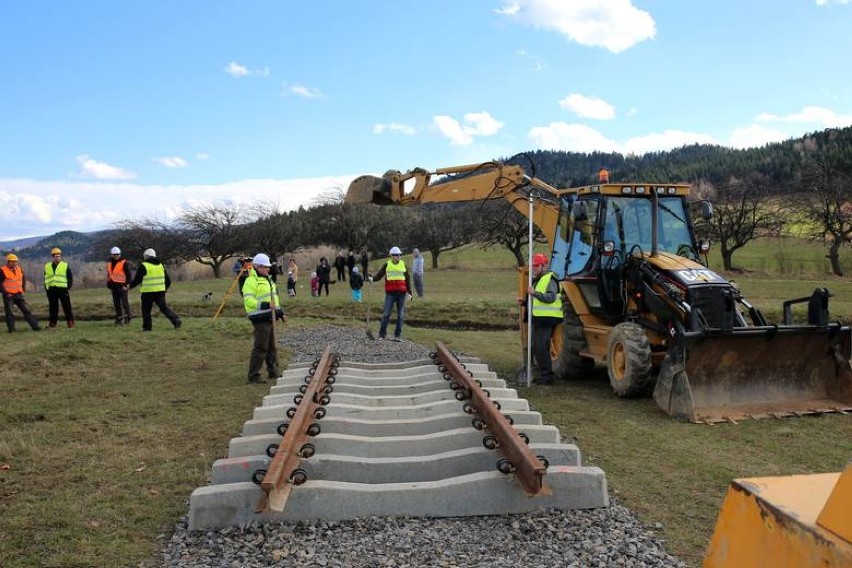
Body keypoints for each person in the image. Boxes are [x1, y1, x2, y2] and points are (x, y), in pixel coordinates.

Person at [519, 253, 562, 385]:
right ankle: (544, 374)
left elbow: (550, 298)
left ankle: (547, 376)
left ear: (544, 265)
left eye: (537, 265)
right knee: (537, 347)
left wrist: (534, 293)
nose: (535, 268)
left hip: (547, 318)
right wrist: (524, 302)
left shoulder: (550, 279)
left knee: (542, 347)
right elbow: (536, 301)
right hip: (539, 318)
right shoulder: (539, 279)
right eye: (533, 265)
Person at [242, 253, 285, 384]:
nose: (268, 269)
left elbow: (274, 300)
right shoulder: (251, 281)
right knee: (261, 346)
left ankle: (273, 371)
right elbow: (248, 300)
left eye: (268, 267)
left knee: (272, 346)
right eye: (265, 267)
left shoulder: (268, 279)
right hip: (259, 318)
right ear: (258, 266)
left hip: (270, 317)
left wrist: (280, 313)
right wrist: (264, 305)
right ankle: (253, 375)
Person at [128, 248, 182, 331]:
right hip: (160, 292)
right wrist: (164, 289)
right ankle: (176, 320)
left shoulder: (144, 266)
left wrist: (130, 287)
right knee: (164, 308)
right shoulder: (160, 265)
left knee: (146, 310)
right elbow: (168, 281)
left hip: (147, 292)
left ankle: (147, 328)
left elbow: (137, 279)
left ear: (146, 256)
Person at [372, 246, 411, 341]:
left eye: (399, 255)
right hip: (390, 293)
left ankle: (397, 335)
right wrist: (370, 279)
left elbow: (407, 279)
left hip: (402, 293)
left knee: (401, 315)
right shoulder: (387, 265)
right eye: (396, 255)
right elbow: (378, 276)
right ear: (391, 256)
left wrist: (410, 293)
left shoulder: (403, 265)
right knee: (386, 314)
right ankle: (382, 335)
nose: (398, 257)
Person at [1, 253, 41, 332]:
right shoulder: (2, 270)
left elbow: (22, 280)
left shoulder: (19, 269)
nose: (14, 263)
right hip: (9, 296)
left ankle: (35, 326)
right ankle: (11, 329)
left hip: (19, 294)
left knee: (27, 310)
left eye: (15, 261)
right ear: (8, 262)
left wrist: (23, 290)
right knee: (10, 313)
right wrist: (5, 293)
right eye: (12, 262)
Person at [43, 247, 75, 328]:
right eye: (56, 256)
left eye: (59, 256)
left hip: (63, 289)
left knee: (67, 306)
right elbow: (45, 278)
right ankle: (52, 323)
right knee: (53, 307)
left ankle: (70, 322)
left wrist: (68, 287)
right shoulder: (47, 266)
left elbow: (70, 277)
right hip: (52, 290)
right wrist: (47, 289)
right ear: (53, 257)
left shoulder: (65, 265)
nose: (58, 257)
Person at [107, 246, 134, 325]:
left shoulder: (124, 262)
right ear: (112, 254)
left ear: (120, 254)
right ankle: (119, 319)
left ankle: (128, 317)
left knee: (124, 303)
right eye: (114, 254)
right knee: (116, 303)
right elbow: (109, 274)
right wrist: (108, 283)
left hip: (122, 286)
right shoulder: (109, 263)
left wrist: (127, 284)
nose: (116, 256)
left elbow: (129, 275)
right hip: (113, 286)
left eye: (117, 254)